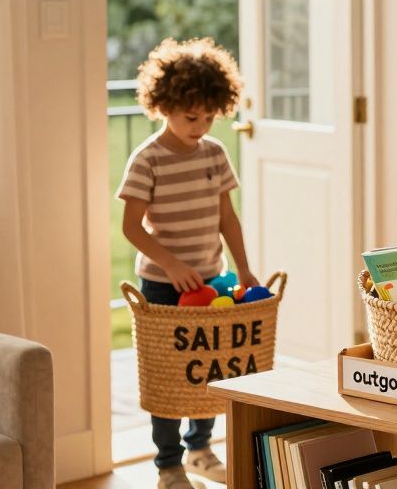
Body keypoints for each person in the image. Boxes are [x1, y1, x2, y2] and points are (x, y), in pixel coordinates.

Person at [117, 37, 258, 489]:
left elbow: (227, 218)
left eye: (208, 117)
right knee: (168, 379)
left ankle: (200, 448)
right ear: (163, 106)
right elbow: (132, 228)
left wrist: (245, 268)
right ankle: (168, 465)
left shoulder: (215, 154)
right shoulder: (148, 160)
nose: (199, 127)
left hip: (213, 282)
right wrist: (173, 265)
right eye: (189, 117)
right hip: (162, 285)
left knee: (208, 369)